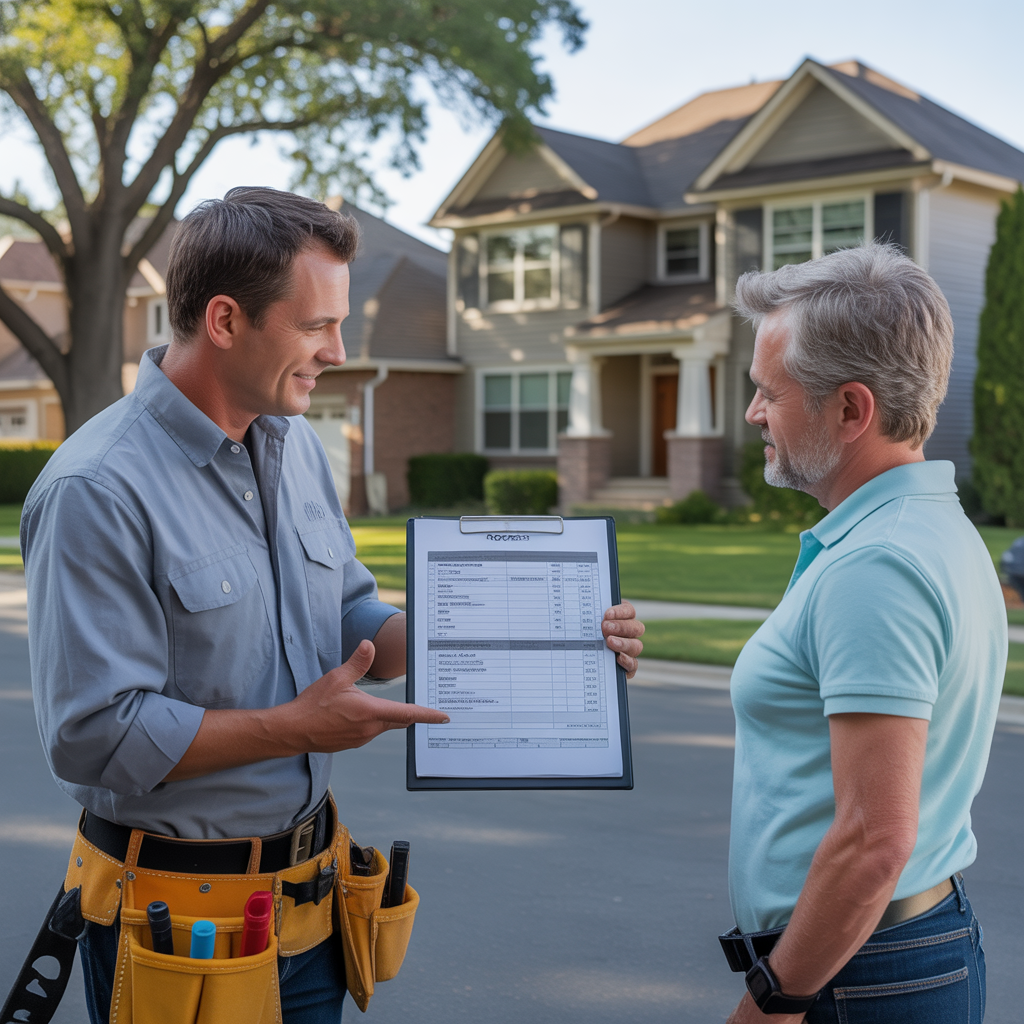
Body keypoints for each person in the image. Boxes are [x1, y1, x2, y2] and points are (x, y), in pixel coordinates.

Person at [19, 187, 646, 1023]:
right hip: (172, 926)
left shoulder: (297, 445)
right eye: (317, 325)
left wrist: (537, 629)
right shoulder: (97, 489)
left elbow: (349, 615)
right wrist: (295, 728)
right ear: (225, 320)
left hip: (311, 904)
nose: (338, 351)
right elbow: (94, 736)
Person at [722, 243, 1004, 1023]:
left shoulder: (878, 565)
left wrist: (772, 1002)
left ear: (851, 410)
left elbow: (874, 841)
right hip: (881, 958)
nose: (754, 414)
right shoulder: (925, 528)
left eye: (768, 393)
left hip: (855, 976)